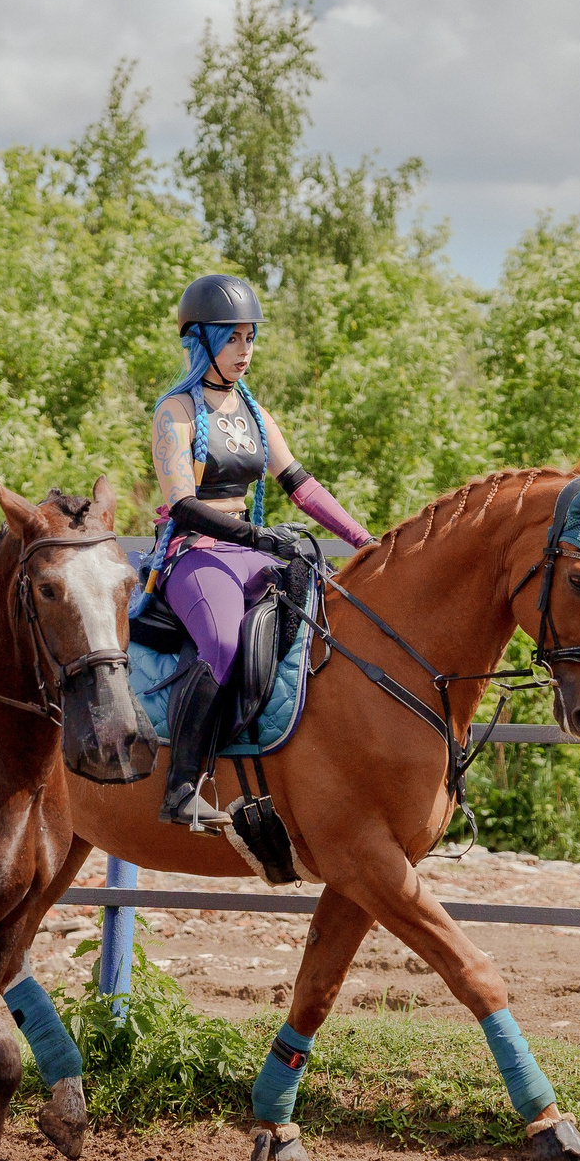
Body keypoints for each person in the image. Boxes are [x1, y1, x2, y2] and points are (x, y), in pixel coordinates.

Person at [140, 273, 375, 831]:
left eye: (250, 337)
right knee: (222, 641)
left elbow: (303, 486)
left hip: (252, 549)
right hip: (196, 553)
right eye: (232, 338)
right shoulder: (175, 413)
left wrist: (368, 543)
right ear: (199, 341)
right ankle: (181, 788)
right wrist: (258, 537)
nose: (245, 351)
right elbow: (182, 505)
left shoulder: (253, 412)